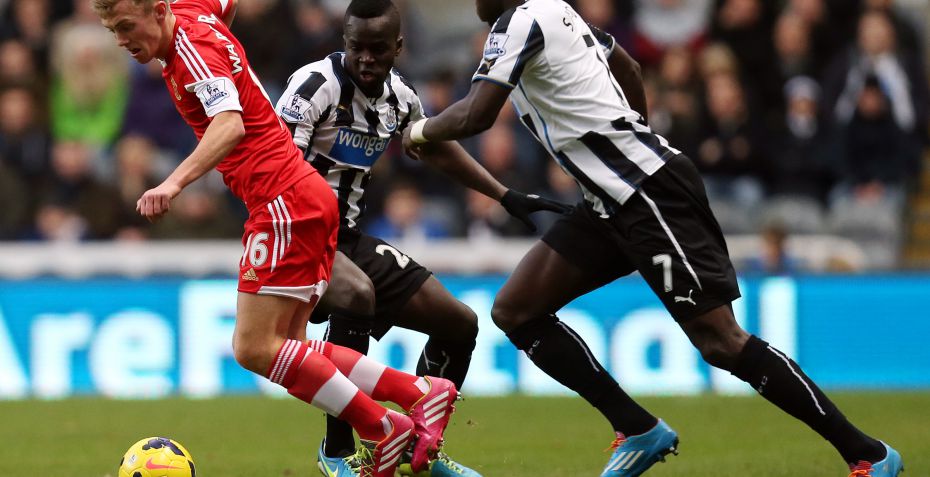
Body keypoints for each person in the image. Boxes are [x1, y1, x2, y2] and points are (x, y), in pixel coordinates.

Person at [402, 0, 904, 476]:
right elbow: (628, 66)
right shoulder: (556, 12)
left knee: (721, 342)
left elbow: (477, 114)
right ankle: (638, 428)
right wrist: (633, 128)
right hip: (608, 199)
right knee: (516, 309)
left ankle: (868, 454)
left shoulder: (520, 21)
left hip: (646, 191)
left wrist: (419, 132)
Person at [92, 1, 461, 476]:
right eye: (113, 30)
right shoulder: (192, 11)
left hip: (281, 200)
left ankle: (383, 427)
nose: (121, 40)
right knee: (288, 345)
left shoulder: (191, 50)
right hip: (303, 197)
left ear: (159, 10)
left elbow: (230, 124)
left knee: (254, 347)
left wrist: (173, 183)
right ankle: (420, 392)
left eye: (126, 26)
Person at [275, 1, 569, 474]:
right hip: (294, 233)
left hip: (347, 237)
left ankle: (420, 451)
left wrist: (503, 194)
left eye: (377, 49)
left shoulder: (400, 97)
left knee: (459, 324)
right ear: (344, 43)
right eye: (356, 48)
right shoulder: (314, 86)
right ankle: (338, 451)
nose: (366, 59)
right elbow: (276, 169)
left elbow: (433, 148)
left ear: (398, 46)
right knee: (356, 294)